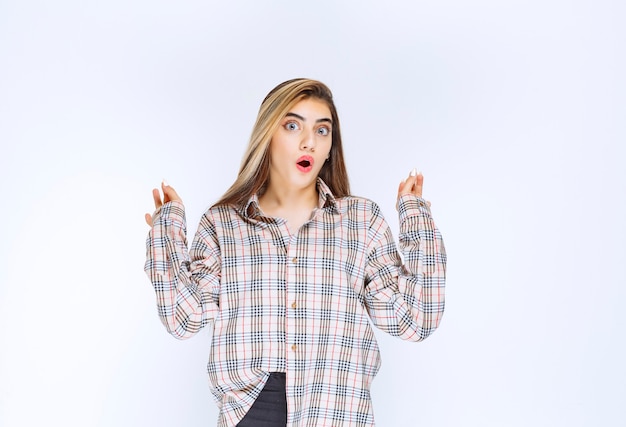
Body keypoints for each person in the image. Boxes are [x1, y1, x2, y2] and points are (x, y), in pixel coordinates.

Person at [144, 78, 446, 427]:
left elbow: (415, 319)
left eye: (322, 131)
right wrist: (166, 234)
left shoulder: (361, 221)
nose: (309, 142)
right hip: (251, 411)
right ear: (267, 136)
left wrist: (416, 217)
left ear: (331, 145)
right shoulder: (223, 223)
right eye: (292, 126)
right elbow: (184, 319)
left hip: (335, 410)